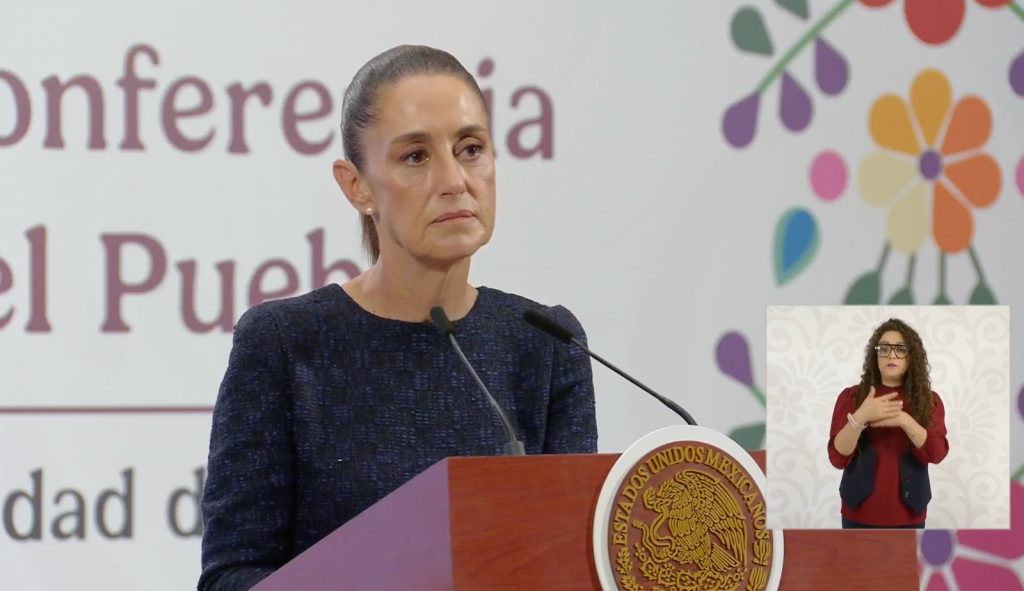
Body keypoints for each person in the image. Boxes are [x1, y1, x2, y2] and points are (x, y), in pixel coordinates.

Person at [197, 45, 598, 590]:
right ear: (356, 186)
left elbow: (570, 563)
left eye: (471, 149)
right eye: (415, 157)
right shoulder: (283, 343)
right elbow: (231, 576)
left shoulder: (546, 342)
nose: (454, 180)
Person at [827, 318, 948, 528]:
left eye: (900, 349)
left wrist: (904, 420)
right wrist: (861, 416)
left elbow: (936, 454)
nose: (891, 355)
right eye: (884, 349)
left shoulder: (929, 400)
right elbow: (838, 458)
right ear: (875, 355)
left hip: (910, 516)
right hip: (858, 515)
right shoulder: (852, 397)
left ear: (911, 356)